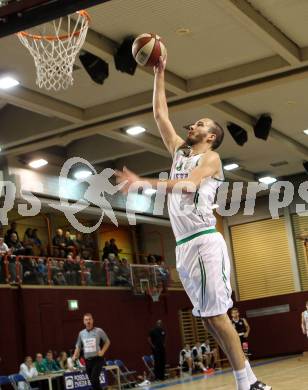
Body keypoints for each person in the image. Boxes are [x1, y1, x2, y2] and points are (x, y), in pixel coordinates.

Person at [115, 55, 271, 390]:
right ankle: (248, 382)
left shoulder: (210, 158)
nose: (193, 126)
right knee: (208, 320)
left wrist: (145, 182)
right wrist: (160, 72)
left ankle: (249, 384)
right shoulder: (179, 154)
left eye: (200, 124)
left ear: (211, 136)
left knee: (217, 316)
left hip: (203, 240)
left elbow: (189, 185)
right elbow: (160, 115)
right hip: (184, 247)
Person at [72, 313, 111, 390]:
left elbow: (107, 342)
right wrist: (75, 355)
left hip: (97, 359)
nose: (88, 321)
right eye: (86, 320)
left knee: (94, 379)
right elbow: (78, 346)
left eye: (89, 319)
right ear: (84, 322)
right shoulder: (81, 333)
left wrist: (103, 351)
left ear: (92, 320)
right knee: (93, 382)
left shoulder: (99, 331)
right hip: (87, 361)